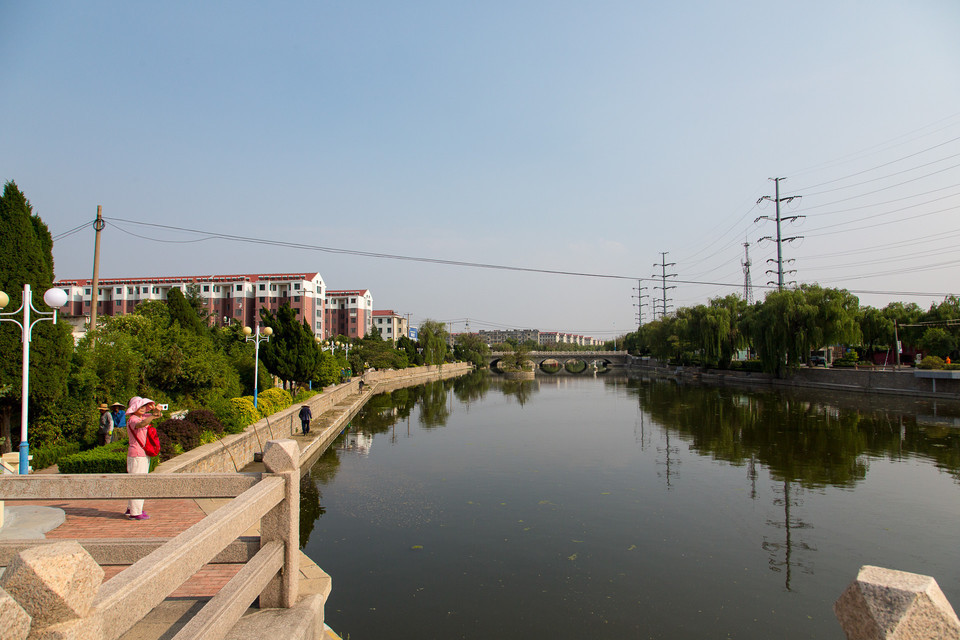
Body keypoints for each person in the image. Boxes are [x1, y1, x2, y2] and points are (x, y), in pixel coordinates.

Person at [126, 396, 161, 520]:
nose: (142, 408)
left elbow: (157, 415)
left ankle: (131, 508)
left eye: (143, 406)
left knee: (137, 481)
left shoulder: (142, 416)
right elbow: (143, 424)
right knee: (138, 483)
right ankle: (135, 513)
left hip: (142, 454)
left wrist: (154, 408)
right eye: (140, 406)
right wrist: (151, 415)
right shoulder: (133, 419)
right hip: (137, 455)